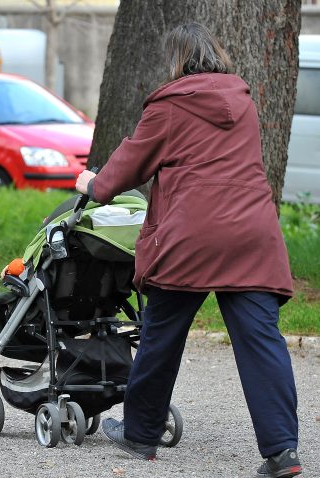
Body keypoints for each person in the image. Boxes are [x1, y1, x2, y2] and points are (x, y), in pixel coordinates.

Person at [75, 23, 302, 478]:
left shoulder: (170, 105)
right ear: (216, 55)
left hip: (190, 238)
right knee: (261, 342)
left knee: (161, 334)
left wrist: (93, 184)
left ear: (176, 60)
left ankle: (140, 435)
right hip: (252, 236)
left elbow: (129, 164)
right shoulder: (243, 102)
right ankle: (282, 453)